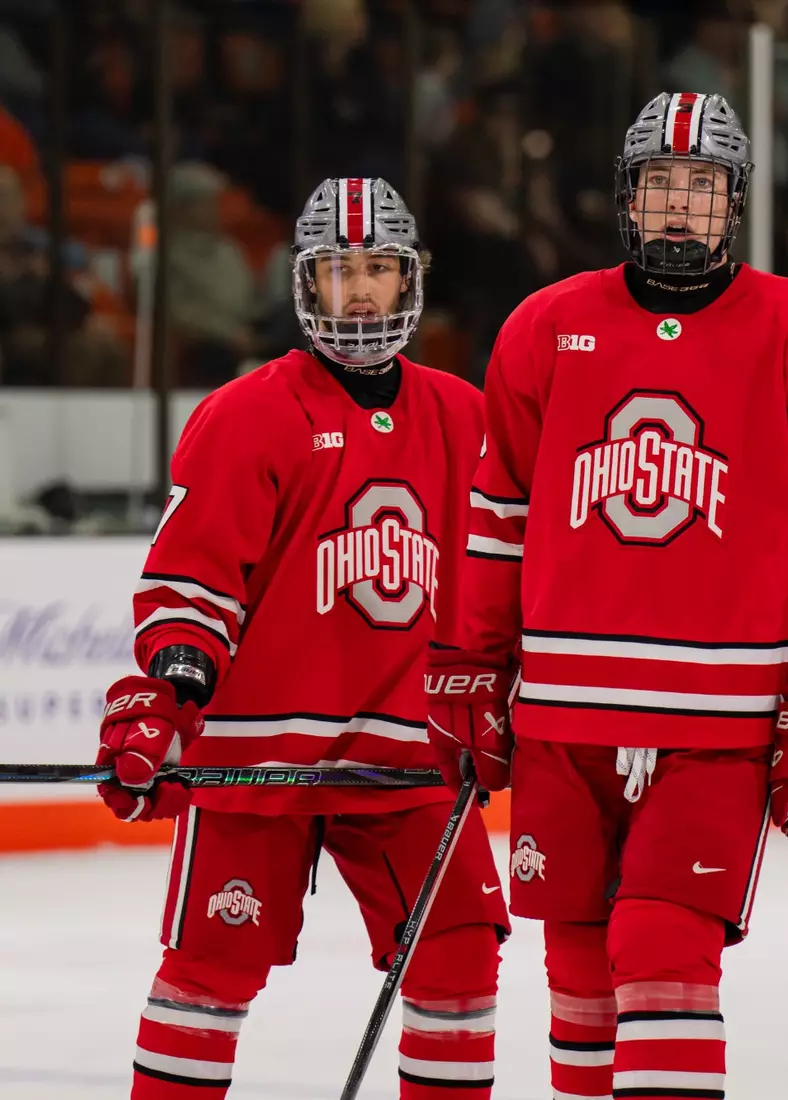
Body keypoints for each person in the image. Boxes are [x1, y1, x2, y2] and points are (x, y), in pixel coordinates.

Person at [426, 92, 788, 1099]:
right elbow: (496, 520)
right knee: (579, 966)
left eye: (703, 186)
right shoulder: (544, 327)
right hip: (563, 715)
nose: (680, 205)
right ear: (627, 198)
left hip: (719, 723)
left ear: (737, 201)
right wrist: (470, 661)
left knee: (664, 945)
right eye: (661, 183)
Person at [94, 178, 509, 1100]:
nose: (358, 291)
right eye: (337, 271)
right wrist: (176, 686)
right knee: (208, 976)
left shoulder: (466, 417)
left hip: (407, 754)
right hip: (259, 758)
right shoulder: (248, 413)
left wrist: (502, 684)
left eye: (377, 269)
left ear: (410, 280)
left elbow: (504, 576)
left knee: (460, 964)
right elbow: (193, 580)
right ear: (304, 283)